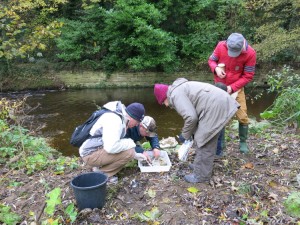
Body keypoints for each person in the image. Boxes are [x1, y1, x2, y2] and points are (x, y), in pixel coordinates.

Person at [154, 78, 239, 183]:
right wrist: (191, 133)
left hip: (215, 106)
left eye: (163, 103)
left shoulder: (176, 95)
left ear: (164, 97)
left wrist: (184, 135)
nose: (166, 106)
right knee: (200, 136)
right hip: (216, 103)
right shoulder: (179, 89)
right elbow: (194, 114)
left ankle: (201, 176)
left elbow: (191, 117)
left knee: (205, 140)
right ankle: (199, 167)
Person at [208, 32, 256, 154]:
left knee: (243, 116)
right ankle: (221, 142)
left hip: (236, 87)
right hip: (219, 87)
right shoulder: (220, 46)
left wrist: (233, 88)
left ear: (242, 48)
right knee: (220, 116)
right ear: (227, 44)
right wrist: (216, 68)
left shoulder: (250, 53)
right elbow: (211, 60)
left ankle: (243, 142)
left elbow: (248, 76)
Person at [79, 101, 148, 180]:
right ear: (132, 118)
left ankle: (98, 169)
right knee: (129, 152)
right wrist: (130, 143)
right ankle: (102, 175)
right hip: (89, 154)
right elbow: (111, 147)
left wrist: (136, 155)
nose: (137, 125)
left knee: (131, 151)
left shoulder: (120, 117)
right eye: (137, 122)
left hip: (95, 150)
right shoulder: (115, 120)